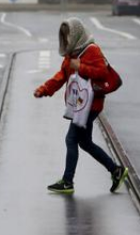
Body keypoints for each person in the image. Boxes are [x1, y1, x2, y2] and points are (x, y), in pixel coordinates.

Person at [34, 18, 128, 195]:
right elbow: (61, 76)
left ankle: (68, 181)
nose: (66, 40)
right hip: (80, 105)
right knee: (84, 142)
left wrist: (81, 66)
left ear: (76, 34)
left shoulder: (91, 50)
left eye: (68, 36)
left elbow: (102, 72)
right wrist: (44, 89)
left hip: (91, 105)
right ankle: (116, 170)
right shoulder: (71, 55)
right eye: (64, 37)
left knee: (71, 139)